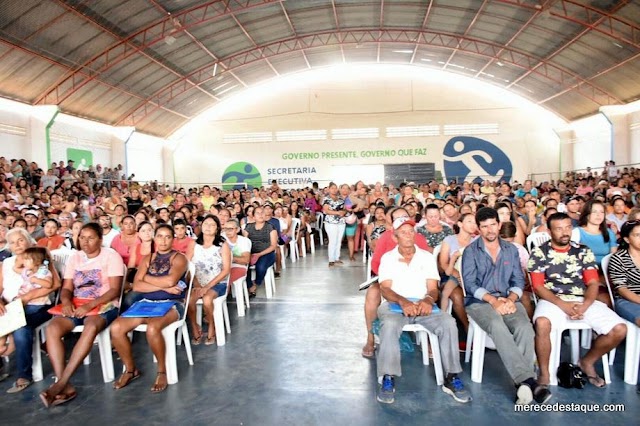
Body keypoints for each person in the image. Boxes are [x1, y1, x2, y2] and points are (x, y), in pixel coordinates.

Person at [375, 216, 471, 404]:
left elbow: (433, 289)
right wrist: (403, 302)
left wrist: (427, 300)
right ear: (395, 237)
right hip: (396, 305)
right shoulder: (388, 258)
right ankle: (388, 377)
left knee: (448, 322)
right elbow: (385, 289)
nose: (409, 236)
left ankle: (452, 376)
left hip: (423, 304)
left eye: (411, 231)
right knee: (389, 325)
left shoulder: (426, 257)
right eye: (403, 233)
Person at [529, 212, 626, 390]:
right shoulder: (539, 253)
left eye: (568, 227)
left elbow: (592, 282)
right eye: (559, 229)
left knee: (619, 329)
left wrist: (585, 305)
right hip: (552, 300)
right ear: (550, 232)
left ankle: (587, 362)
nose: (564, 232)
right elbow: (538, 287)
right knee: (542, 323)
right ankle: (544, 372)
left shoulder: (583, 250)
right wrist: (563, 305)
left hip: (582, 299)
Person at [462, 207, 545, 405]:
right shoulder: (470, 251)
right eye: (484, 227)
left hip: (508, 299)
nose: (490, 230)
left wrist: (511, 297)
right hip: (480, 302)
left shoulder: (511, 250)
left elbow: (518, 278)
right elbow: (471, 284)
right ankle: (528, 381)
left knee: (525, 327)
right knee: (497, 326)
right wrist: (493, 300)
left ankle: (523, 387)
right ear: (478, 230)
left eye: (493, 225)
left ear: (499, 225)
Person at [40, 223, 124, 407]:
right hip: (77, 304)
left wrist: (91, 305)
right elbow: (67, 287)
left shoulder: (111, 256)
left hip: (104, 304)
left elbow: (114, 291)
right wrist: (67, 302)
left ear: (100, 240)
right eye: (82, 237)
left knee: (91, 326)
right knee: (53, 327)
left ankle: (60, 383)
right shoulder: (75, 257)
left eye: (91, 237)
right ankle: (65, 384)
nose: (85, 241)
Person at [110, 224, 188, 393]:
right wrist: (165, 286)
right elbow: (137, 286)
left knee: (153, 328)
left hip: (172, 303)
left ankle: (162, 371)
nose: (163, 240)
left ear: (173, 239)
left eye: (168, 236)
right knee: (116, 328)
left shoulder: (179, 258)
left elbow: (170, 281)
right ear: (155, 238)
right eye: (160, 236)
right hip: (146, 303)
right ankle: (130, 369)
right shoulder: (147, 258)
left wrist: (148, 278)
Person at [362, 207, 430, 359]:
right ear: (392, 224)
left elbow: (427, 262)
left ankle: (430, 339)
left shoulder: (418, 238)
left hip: (414, 280)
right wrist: (390, 273)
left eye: (405, 217)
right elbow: (375, 264)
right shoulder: (385, 238)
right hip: (389, 280)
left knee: (430, 291)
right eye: (398, 219)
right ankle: (370, 338)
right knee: (372, 293)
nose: (403, 221)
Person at [0, 230, 60, 392]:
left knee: (21, 327)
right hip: (10, 306)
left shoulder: (39, 257)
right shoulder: (6, 263)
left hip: (38, 305)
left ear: (29, 241)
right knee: (11, 321)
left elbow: (55, 284)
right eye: (12, 242)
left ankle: (23, 375)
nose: (17, 245)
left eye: (20, 240)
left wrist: (26, 298)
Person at [187, 215, 231, 345]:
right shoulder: (193, 244)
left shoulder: (222, 245)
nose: (208, 227)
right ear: (201, 226)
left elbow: (226, 270)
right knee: (189, 301)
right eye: (206, 224)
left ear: (217, 228)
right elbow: (187, 265)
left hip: (218, 282)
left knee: (207, 300)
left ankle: (212, 325)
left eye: (212, 225)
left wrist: (207, 287)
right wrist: (197, 284)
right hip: (197, 282)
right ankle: (195, 328)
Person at [438, 213, 477, 334]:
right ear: (460, 224)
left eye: (475, 222)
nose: (473, 225)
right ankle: (465, 326)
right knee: (454, 295)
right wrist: (457, 275)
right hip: (452, 275)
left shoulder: (477, 241)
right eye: (469, 221)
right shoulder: (449, 240)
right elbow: (444, 264)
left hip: (471, 276)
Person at [608, 220, 640, 326]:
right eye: (637, 235)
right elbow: (622, 289)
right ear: (627, 239)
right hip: (628, 300)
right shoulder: (618, 258)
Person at [243, 207, 277, 298]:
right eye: (257, 213)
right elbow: (244, 242)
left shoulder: (270, 227)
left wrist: (259, 254)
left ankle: (256, 283)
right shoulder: (248, 227)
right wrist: (248, 254)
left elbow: (273, 246)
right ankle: (249, 285)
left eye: (262, 212)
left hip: (267, 253)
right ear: (253, 216)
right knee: (244, 265)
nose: (261, 214)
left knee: (261, 267)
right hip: (251, 252)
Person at [322, 182, 346, 266]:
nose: (334, 190)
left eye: (335, 188)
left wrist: (343, 212)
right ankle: (331, 259)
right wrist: (337, 213)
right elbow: (326, 210)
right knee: (332, 240)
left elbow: (345, 208)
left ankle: (337, 258)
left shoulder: (340, 198)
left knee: (339, 241)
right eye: (332, 188)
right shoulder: (326, 199)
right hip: (331, 222)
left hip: (341, 222)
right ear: (329, 189)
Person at [223, 218, 251, 284]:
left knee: (224, 279)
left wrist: (228, 258)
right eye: (225, 229)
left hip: (238, 266)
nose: (227, 231)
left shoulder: (243, 241)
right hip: (223, 266)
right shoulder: (221, 238)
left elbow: (245, 260)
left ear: (237, 229)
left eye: (230, 229)